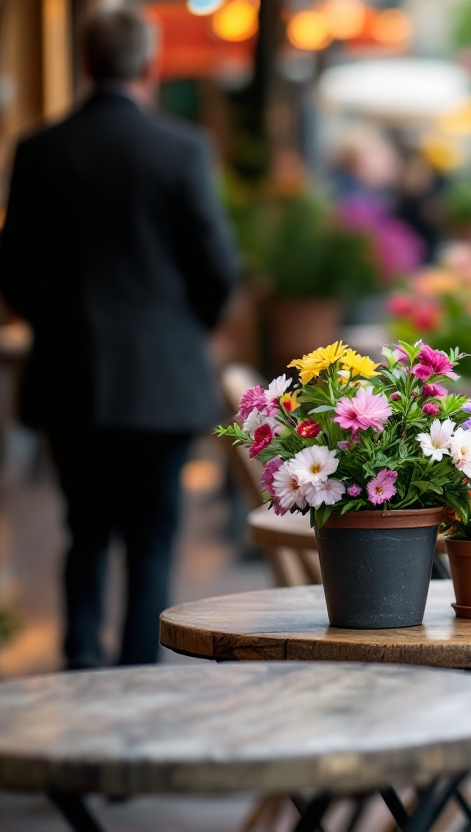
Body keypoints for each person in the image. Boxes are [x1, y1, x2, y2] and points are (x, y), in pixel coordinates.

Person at [0, 9, 240, 667]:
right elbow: (219, 266)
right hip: (162, 377)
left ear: (84, 64)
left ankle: (79, 668)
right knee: (153, 539)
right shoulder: (181, 148)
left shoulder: (39, 148)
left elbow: (13, 271)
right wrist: (184, 327)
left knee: (85, 532)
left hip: (70, 373)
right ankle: (138, 680)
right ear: (149, 65)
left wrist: (58, 325)